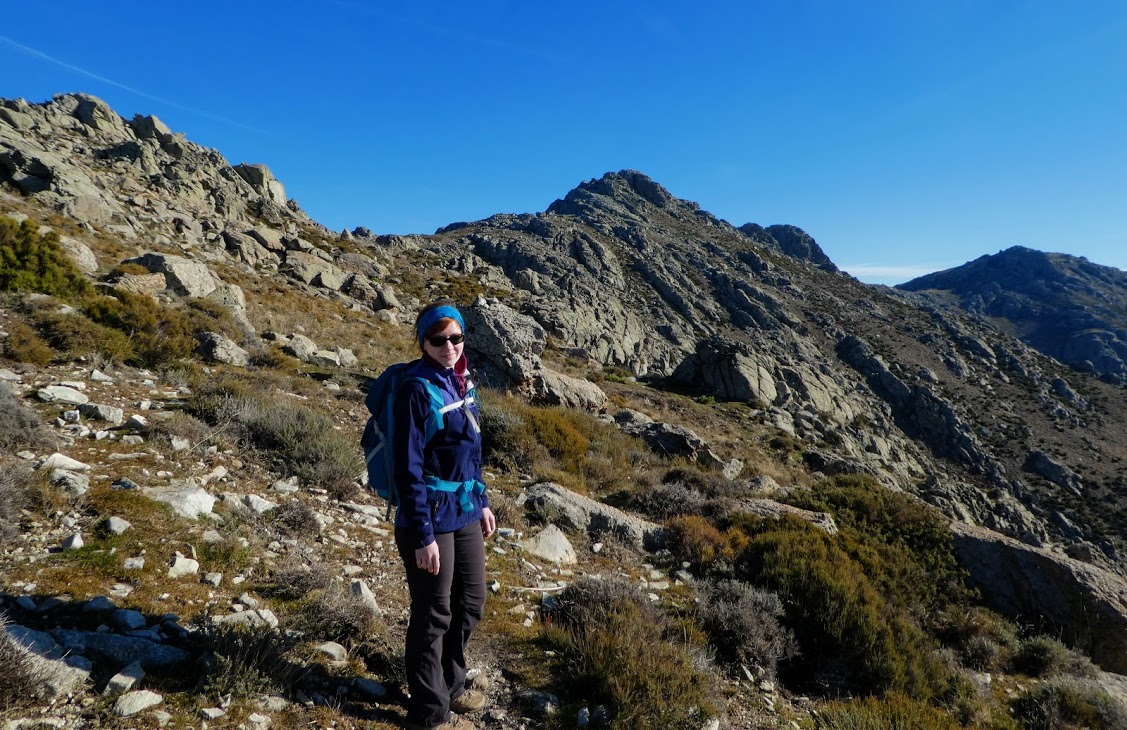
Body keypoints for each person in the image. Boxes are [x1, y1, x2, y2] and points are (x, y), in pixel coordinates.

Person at [395, 300, 495, 730]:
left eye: (456, 337)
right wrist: (423, 536)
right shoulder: (416, 390)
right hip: (430, 519)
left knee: (470, 603)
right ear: (423, 342)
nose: (449, 346)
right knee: (434, 612)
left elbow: (471, 449)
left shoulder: (462, 380)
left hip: (465, 509)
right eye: (438, 339)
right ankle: (429, 711)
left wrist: (483, 499)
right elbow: (408, 470)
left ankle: (451, 684)